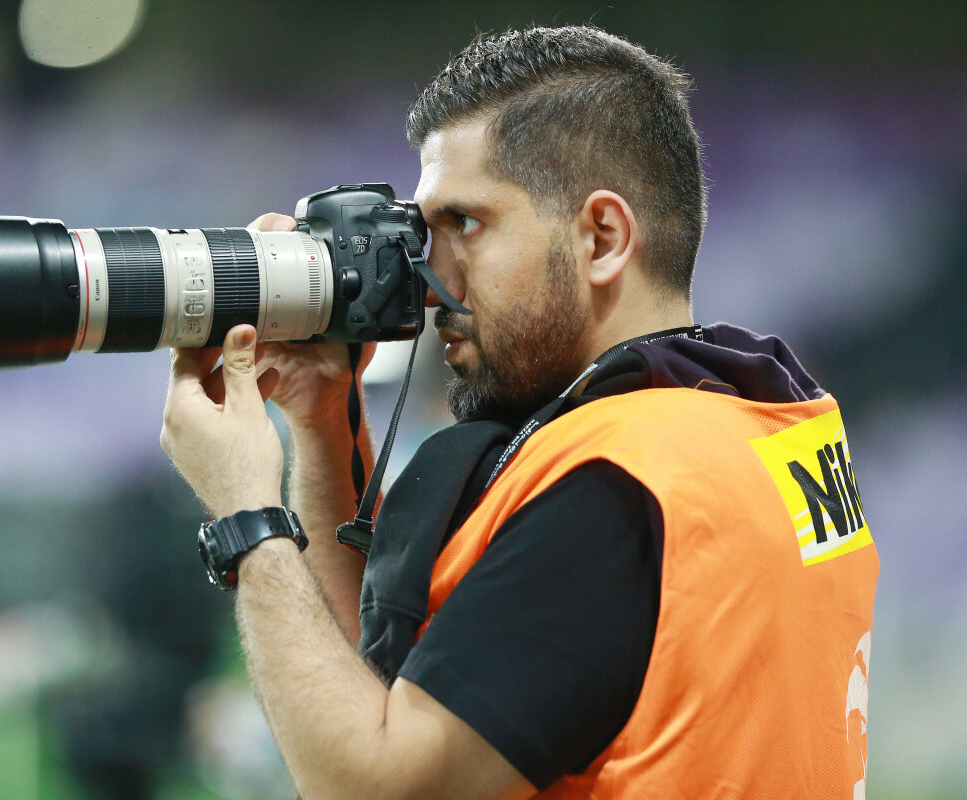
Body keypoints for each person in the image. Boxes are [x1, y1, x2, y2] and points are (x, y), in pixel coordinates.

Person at [160, 25, 878, 800]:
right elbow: (383, 689)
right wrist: (322, 422)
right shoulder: (750, 417)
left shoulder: (613, 485)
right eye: (425, 231)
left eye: (465, 225)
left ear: (602, 237)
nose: (428, 279)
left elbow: (380, 785)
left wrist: (247, 514)